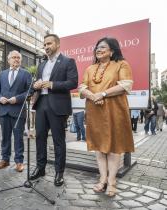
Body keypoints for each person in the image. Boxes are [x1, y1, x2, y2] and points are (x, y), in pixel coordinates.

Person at [79, 37, 135, 197]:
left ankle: (112, 181)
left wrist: (102, 93)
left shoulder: (121, 64)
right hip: (95, 111)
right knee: (99, 147)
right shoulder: (90, 68)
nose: (98, 49)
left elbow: (126, 84)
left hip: (114, 111)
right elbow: (82, 86)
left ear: (112, 51)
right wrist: (92, 95)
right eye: (97, 47)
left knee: (113, 147)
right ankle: (102, 178)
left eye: (103, 47)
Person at [30, 34, 78, 186]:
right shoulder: (42, 64)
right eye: (44, 45)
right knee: (40, 138)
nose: (46, 47)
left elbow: (73, 82)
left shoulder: (68, 61)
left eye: (49, 43)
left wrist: (52, 85)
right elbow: (37, 83)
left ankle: (59, 172)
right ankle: (40, 167)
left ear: (57, 44)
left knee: (58, 141)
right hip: (41, 103)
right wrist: (36, 85)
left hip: (57, 105)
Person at [0, 50, 32, 172]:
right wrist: (0, 98)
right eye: (13, 57)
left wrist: (17, 98)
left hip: (18, 111)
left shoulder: (26, 74)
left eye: (18, 58)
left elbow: (30, 91)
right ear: (8, 60)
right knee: (5, 137)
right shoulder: (2, 74)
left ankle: (19, 161)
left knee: (18, 138)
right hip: (4, 111)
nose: (16, 59)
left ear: (20, 60)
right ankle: (5, 159)